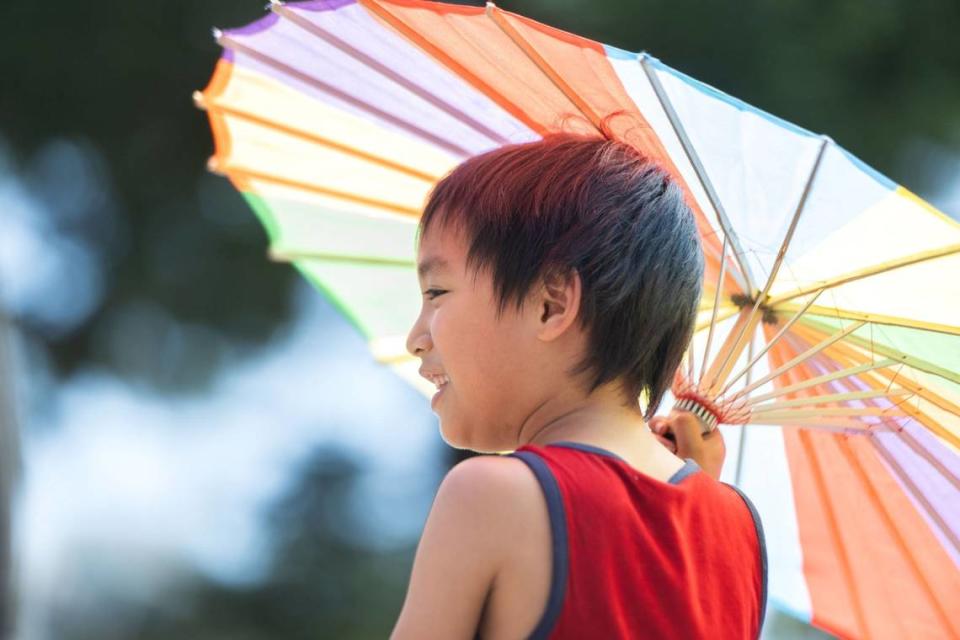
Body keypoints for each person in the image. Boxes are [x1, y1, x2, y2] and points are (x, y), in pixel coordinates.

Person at [393, 132, 766, 639]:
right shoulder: (739, 529)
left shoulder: (491, 494)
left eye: (436, 292)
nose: (417, 338)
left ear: (552, 304)